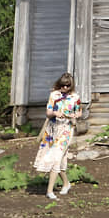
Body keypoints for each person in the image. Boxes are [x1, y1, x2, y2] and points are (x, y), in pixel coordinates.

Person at [34, 72, 82, 200]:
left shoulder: (75, 97)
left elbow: (79, 111)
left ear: (71, 86)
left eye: (67, 86)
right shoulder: (54, 95)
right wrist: (55, 113)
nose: (65, 88)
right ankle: (66, 183)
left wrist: (75, 115)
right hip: (52, 129)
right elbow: (48, 112)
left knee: (56, 157)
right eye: (62, 85)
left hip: (66, 129)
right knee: (58, 158)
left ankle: (49, 191)